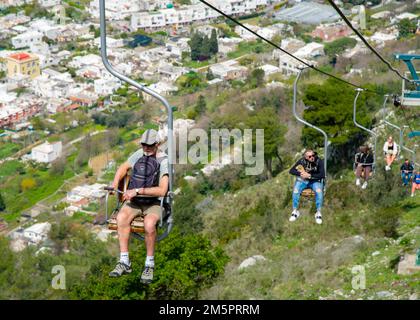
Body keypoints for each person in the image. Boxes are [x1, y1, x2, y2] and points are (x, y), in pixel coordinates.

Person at [108, 129, 169, 284]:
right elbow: (123, 167)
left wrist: (137, 191)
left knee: (149, 224)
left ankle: (149, 264)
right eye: (143, 145)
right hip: (135, 202)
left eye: (149, 145)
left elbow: (162, 189)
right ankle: (124, 262)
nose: (146, 148)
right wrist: (114, 184)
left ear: (157, 144)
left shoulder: (164, 161)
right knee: (121, 217)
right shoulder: (138, 155)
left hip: (154, 202)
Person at [289, 149, 325, 224]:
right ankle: (295, 211)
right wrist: (301, 174)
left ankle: (318, 212)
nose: (312, 157)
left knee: (319, 191)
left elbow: (322, 175)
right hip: (303, 181)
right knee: (295, 190)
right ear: (306, 157)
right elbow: (291, 171)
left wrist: (310, 175)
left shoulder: (319, 161)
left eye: (313, 155)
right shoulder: (302, 161)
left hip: (314, 181)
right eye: (310, 156)